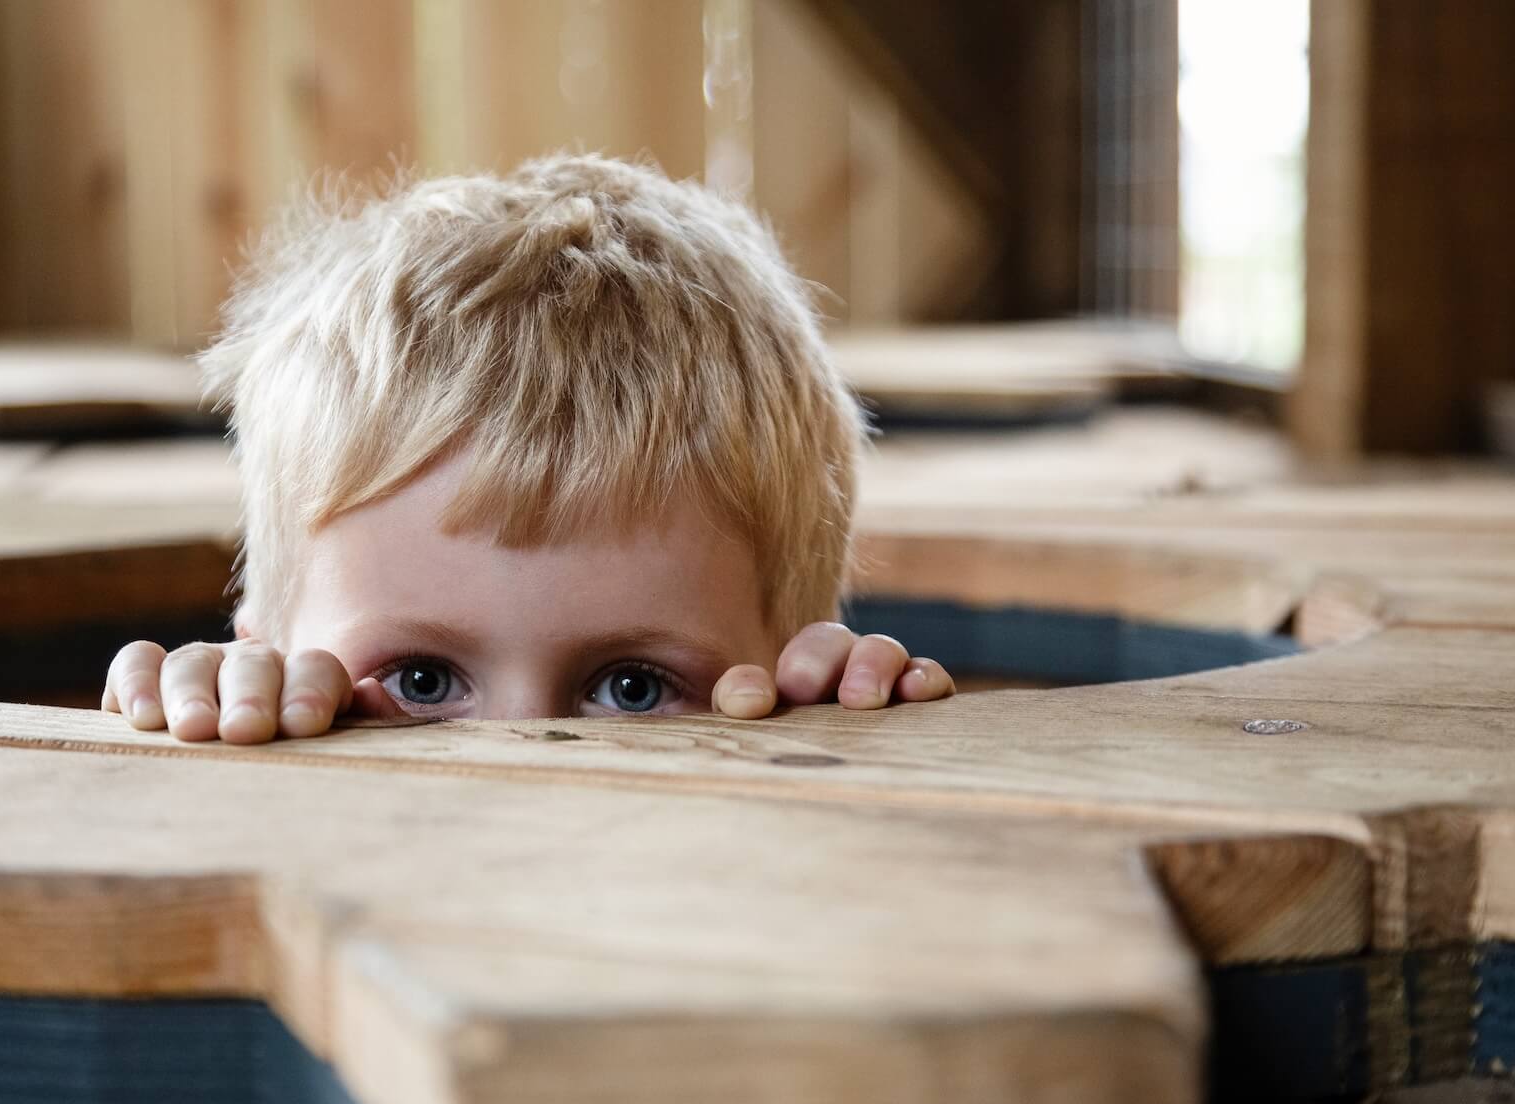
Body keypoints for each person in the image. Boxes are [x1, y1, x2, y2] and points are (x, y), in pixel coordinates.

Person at [102, 154, 953, 742]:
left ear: (790, 659)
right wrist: (221, 719)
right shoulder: (261, 698)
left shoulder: (810, 711)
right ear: (267, 644)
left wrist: (847, 727)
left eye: (633, 687)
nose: (516, 750)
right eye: (421, 682)